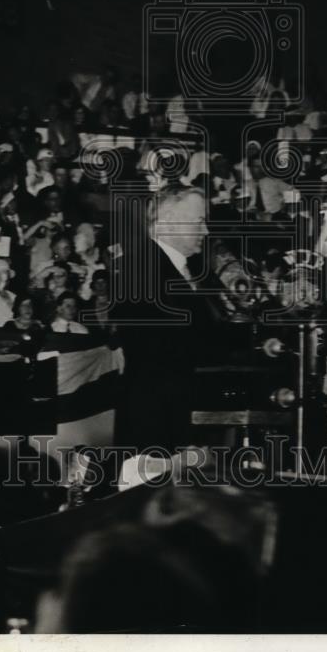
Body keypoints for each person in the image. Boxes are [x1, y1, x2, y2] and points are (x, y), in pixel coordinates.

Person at [114, 185, 211, 454]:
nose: (206, 231)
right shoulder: (141, 268)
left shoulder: (189, 271)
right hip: (154, 422)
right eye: (199, 221)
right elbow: (167, 347)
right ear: (168, 220)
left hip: (177, 415)